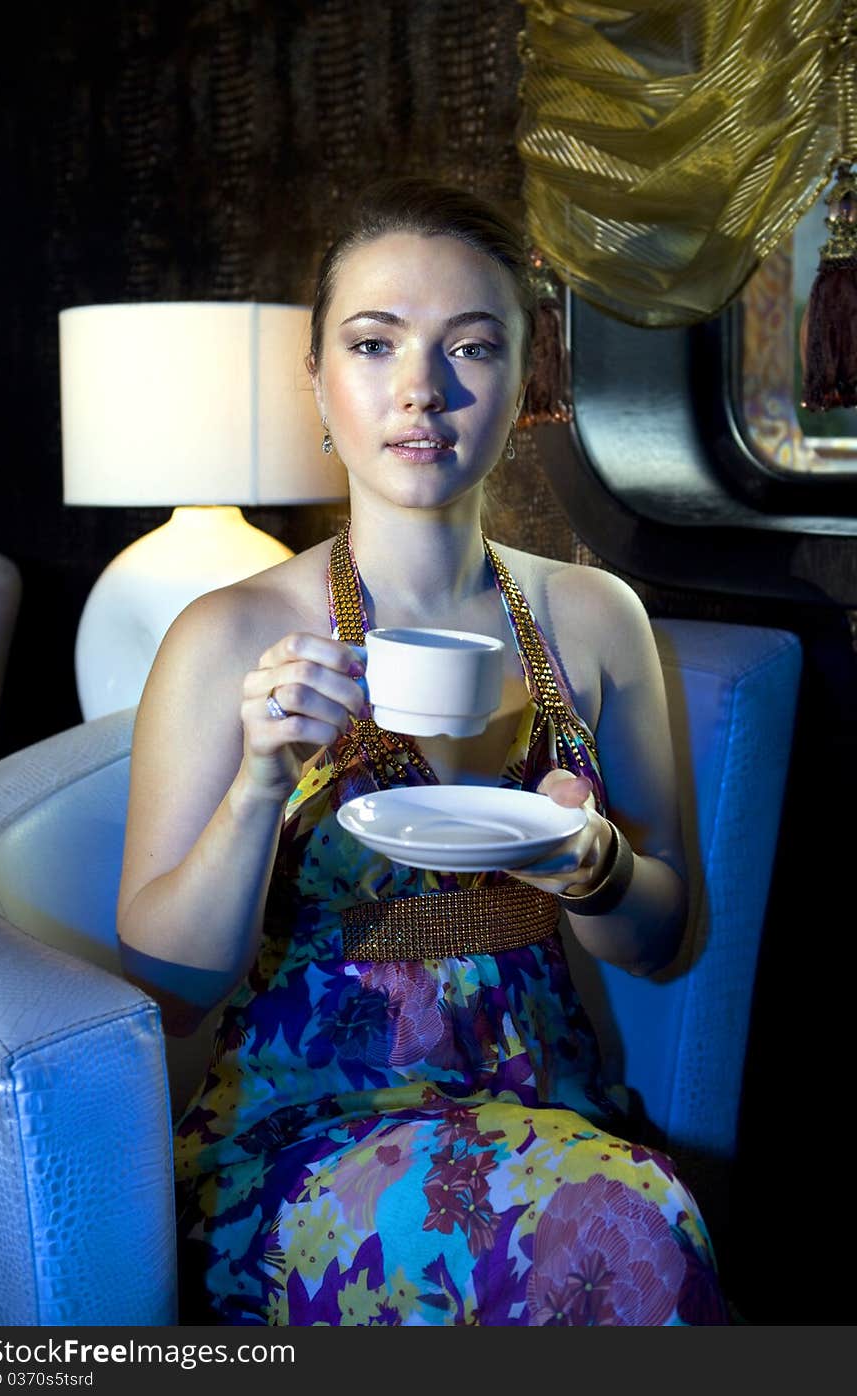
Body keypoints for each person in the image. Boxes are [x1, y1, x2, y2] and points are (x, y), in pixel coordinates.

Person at [117, 176, 730, 1326]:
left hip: (550, 1115)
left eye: (471, 346)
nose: (422, 390)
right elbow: (169, 989)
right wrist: (257, 782)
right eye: (374, 342)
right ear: (316, 379)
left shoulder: (594, 619)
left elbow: (661, 938)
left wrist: (590, 863)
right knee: (628, 1222)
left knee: (624, 1212)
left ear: (523, 379)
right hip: (299, 1135)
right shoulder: (231, 633)